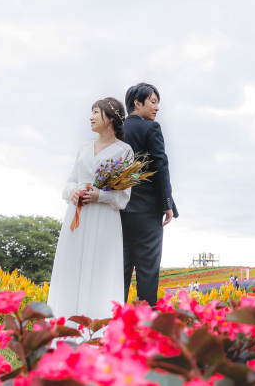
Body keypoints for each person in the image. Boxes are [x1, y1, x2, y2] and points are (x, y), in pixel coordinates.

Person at [48, 98, 133, 321]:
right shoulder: (84, 148)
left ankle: (96, 327)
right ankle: (65, 323)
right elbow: (70, 182)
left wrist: (100, 195)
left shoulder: (124, 152)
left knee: (100, 270)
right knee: (71, 267)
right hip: (78, 215)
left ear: (110, 119)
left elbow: (124, 197)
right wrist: (72, 192)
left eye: (96, 112)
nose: (91, 117)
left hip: (103, 218)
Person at [120, 83, 179, 307]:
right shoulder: (150, 128)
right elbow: (160, 165)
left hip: (119, 210)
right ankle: (145, 327)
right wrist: (167, 204)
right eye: (153, 102)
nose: (156, 108)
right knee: (147, 270)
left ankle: (114, 320)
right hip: (146, 211)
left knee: (121, 268)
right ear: (137, 103)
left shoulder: (116, 129)